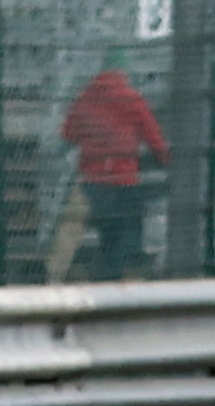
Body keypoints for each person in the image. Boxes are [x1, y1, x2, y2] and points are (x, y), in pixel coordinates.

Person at [60, 64, 168, 279]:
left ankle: (102, 275)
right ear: (123, 73)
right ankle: (114, 274)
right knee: (128, 228)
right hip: (123, 177)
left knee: (106, 231)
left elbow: (69, 134)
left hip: (94, 178)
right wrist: (167, 159)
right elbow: (152, 134)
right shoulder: (131, 98)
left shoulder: (85, 98)